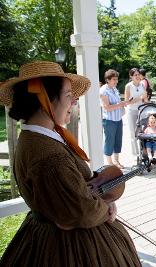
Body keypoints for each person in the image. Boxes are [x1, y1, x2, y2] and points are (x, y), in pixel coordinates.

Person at [0, 61, 141, 266]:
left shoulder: (36, 137)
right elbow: (81, 211)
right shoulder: (48, 156)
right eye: (68, 94)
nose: (75, 101)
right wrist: (105, 207)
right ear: (45, 100)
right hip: (69, 248)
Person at [100, 69, 130, 168]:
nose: (116, 81)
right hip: (109, 120)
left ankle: (116, 161)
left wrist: (123, 104)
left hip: (118, 119)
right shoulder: (103, 90)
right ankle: (109, 163)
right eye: (114, 79)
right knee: (109, 141)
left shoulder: (114, 89)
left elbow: (117, 104)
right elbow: (107, 107)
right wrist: (119, 104)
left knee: (118, 140)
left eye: (117, 79)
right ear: (107, 80)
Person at [125, 68, 148, 159]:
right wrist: (140, 98)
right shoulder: (129, 86)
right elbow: (127, 102)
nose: (138, 76)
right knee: (134, 133)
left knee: (143, 132)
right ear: (131, 77)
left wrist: (148, 106)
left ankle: (144, 152)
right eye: (135, 75)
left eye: (138, 74)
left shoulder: (142, 85)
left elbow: (145, 98)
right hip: (132, 111)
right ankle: (136, 155)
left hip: (141, 111)